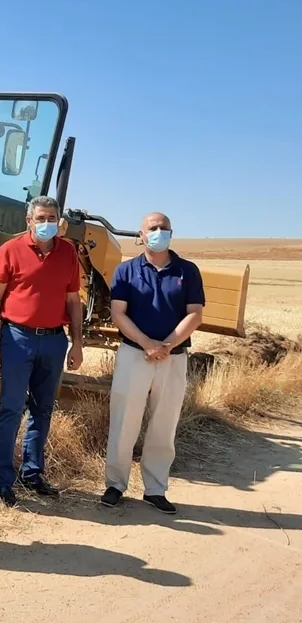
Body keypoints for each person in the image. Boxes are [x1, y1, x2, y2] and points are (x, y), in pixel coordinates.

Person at [101, 212, 204, 514]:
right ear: (141, 235)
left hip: (173, 358)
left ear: (171, 233)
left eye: (164, 228)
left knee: (164, 423)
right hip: (134, 354)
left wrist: (167, 345)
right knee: (124, 421)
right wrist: (147, 344)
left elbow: (195, 313)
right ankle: (115, 485)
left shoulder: (187, 270)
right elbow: (119, 313)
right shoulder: (126, 271)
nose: (159, 232)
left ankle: (156, 489)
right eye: (153, 228)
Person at [0, 195, 84, 507]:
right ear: (28, 221)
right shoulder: (10, 250)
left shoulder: (67, 252)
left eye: (51, 218)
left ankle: (33, 473)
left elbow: (73, 301)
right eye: (40, 218)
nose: (46, 223)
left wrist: (77, 341)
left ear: (59, 221)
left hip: (54, 341)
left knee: (42, 410)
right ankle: (2, 482)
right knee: (11, 409)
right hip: (17, 338)